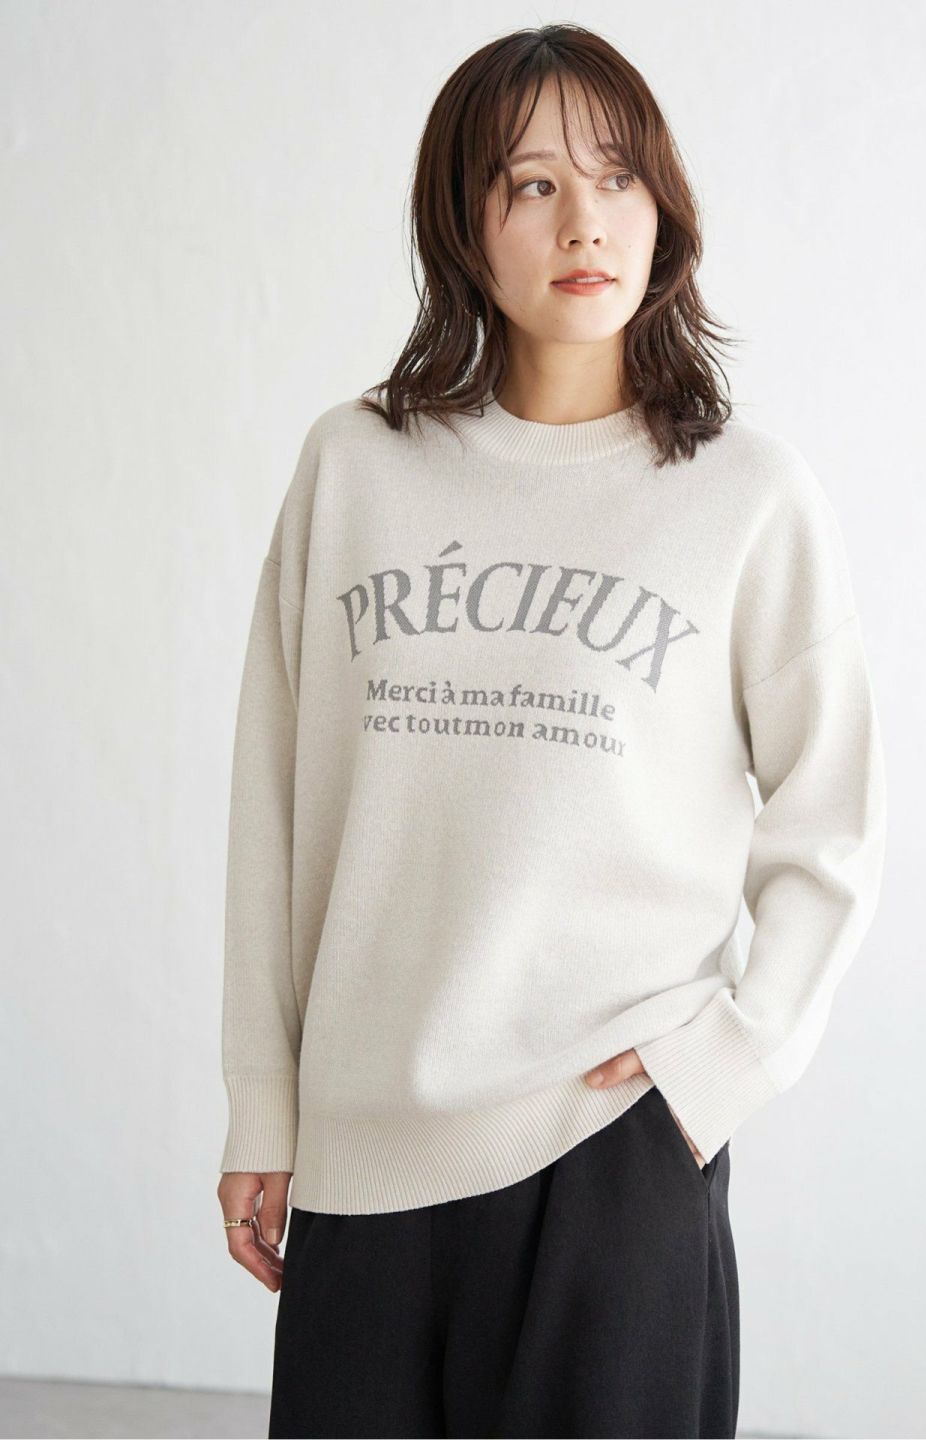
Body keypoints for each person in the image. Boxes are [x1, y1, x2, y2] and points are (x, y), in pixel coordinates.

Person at [216, 22, 887, 1440]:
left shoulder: (745, 498)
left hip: (610, 1146)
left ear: (665, 210)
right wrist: (264, 1106)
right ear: (463, 226)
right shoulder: (356, 467)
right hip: (367, 1149)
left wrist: (722, 1066)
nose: (585, 221)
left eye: (617, 177)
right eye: (531, 186)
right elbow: (274, 812)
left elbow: (832, 822)